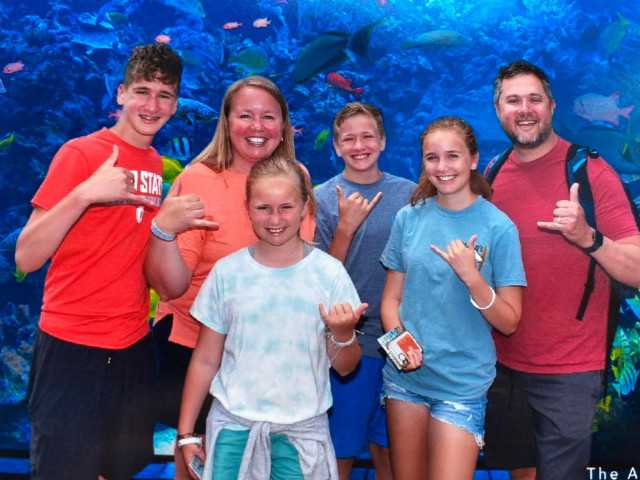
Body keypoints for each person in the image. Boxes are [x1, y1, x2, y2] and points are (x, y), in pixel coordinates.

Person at [14, 44, 183, 479]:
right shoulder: (82, 154)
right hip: (72, 345)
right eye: (142, 91)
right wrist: (86, 192)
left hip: (131, 344)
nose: (152, 104)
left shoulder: (154, 164)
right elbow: (27, 255)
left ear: (176, 104)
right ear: (120, 94)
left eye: (164, 95)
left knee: (118, 469)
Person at [144, 75, 315, 479]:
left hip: (268, 355)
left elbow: (303, 273)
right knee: (200, 460)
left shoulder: (299, 178)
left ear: (285, 126)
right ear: (226, 122)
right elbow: (170, 286)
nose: (257, 127)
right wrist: (163, 231)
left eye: (268, 117)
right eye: (245, 115)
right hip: (193, 347)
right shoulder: (199, 179)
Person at [483, 60, 640, 480]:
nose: (525, 109)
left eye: (535, 99)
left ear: (552, 107)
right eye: (513, 100)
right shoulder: (491, 174)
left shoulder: (591, 172)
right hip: (502, 363)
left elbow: (637, 270)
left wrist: (588, 236)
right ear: (498, 110)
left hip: (570, 370)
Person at [177, 155, 368, 480]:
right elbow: (206, 359)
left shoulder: (329, 273)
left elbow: (346, 366)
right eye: (264, 207)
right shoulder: (228, 272)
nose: (275, 218)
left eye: (286, 207)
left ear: (305, 206)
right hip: (232, 431)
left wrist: (343, 333)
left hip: (301, 434)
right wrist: (186, 433)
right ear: (248, 208)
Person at [379, 116, 526, 480]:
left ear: (474, 159)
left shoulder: (499, 227)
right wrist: (401, 346)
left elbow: (510, 321)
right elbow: (390, 300)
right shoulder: (407, 219)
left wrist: (472, 276)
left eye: (452, 156)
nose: (442, 168)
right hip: (404, 383)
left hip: (462, 384)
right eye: (432, 158)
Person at [314, 102, 416, 480]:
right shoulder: (322, 197)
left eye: (368, 136)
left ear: (383, 141)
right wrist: (345, 228)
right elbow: (317, 278)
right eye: (349, 139)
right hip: (347, 344)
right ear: (337, 147)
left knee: (392, 450)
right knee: (339, 451)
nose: (359, 145)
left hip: (400, 341)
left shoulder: (409, 194)